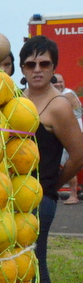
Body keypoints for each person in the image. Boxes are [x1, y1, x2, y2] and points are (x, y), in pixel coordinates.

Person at [0, 36, 83, 283]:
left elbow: (78, 153)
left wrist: (55, 184)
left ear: (54, 65)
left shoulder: (58, 105)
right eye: (30, 64)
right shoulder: (18, 98)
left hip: (38, 199)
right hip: (13, 198)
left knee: (36, 269)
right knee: (18, 266)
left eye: (44, 63)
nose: (37, 70)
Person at [52, 73, 82, 204]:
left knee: (70, 164)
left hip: (72, 134)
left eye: (60, 81)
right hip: (70, 133)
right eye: (55, 82)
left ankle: (73, 195)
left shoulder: (66, 94)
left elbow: (77, 112)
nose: (58, 84)